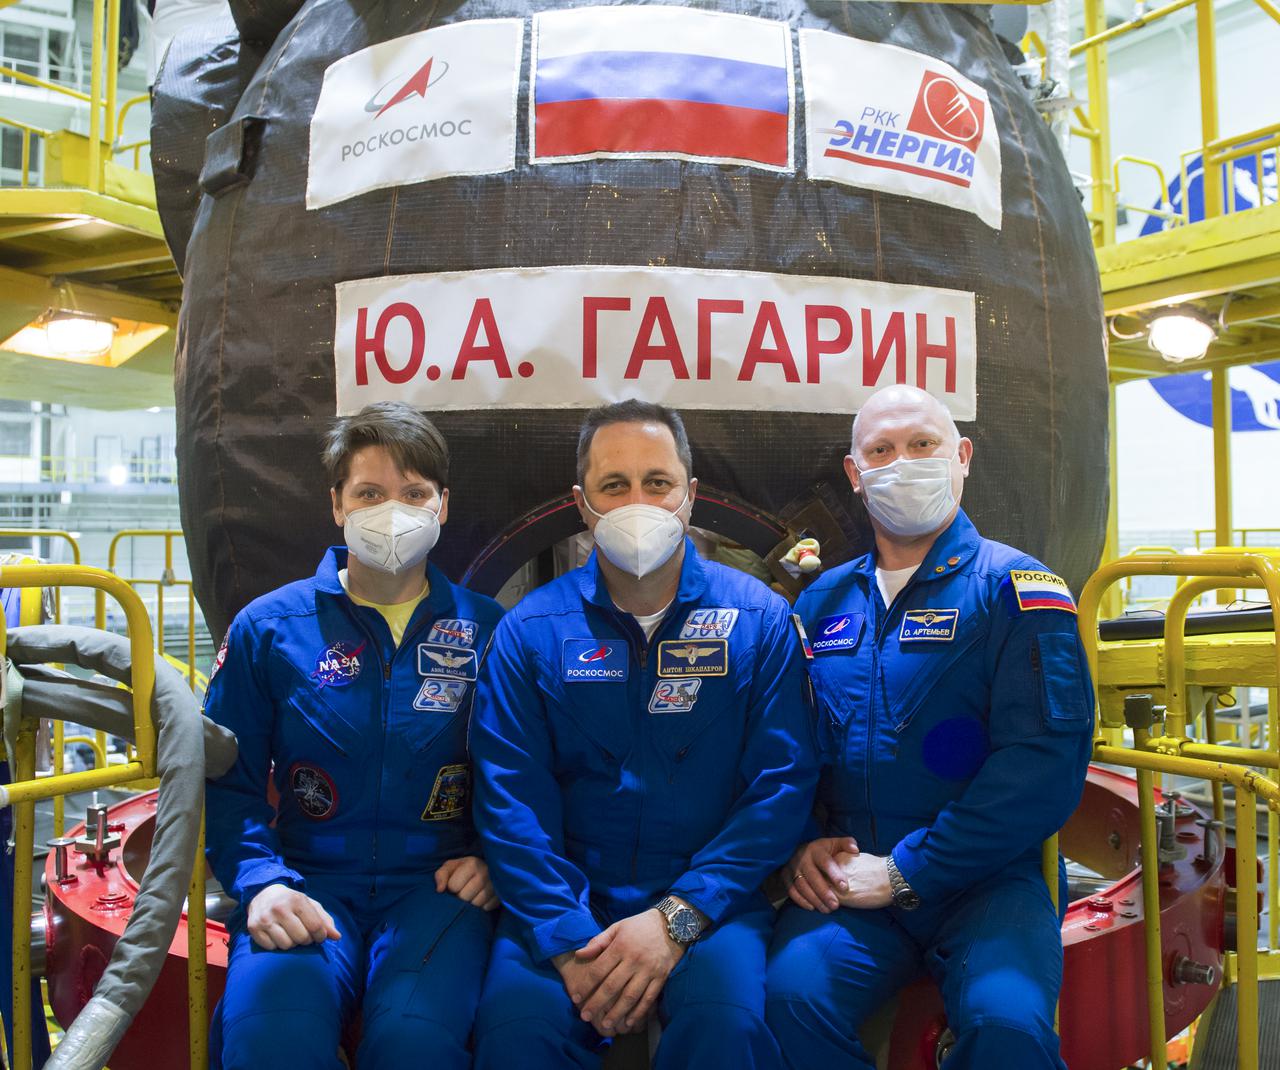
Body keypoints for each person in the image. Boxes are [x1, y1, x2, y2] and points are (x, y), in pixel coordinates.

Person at [470, 399, 819, 1069]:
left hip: (711, 902)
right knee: (515, 1039)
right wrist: (569, 940)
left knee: (728, 1032)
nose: (638, 502)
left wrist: (678, 919)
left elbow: (780, 787)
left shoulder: (759, 621)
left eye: (656, 483)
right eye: (614, 485)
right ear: (582, 502)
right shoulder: (529, 631)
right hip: (563, 900)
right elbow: (509, 799)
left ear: (689, 495)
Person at [766, 384, 1093, 1069]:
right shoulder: (822, 601)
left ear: (963, 456)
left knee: (1006, 1026)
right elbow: (783, 748)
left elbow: (1042, 764)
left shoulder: (1017, 590)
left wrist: (907, 871)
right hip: (850, 878)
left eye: (923, 445)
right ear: (856, 476)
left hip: (987, 881)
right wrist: (801, 847)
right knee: (784, 1006)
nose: (903, 462)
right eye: (881, 451)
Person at [203, 402, 504, 1069]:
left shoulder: (492, 632)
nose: (391, 511)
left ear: (442, 506)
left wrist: (493, 857)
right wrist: (261, 881)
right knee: (266, 1043)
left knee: (413, 1043)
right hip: (306, 882)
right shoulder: (268, 629)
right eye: (369, 493)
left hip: (439, 889)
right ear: (337, 505)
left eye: (413, 494)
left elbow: (526, 772)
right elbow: (227, 783)